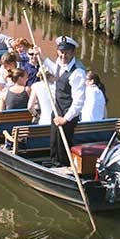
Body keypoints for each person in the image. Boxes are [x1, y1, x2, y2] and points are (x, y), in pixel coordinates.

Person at [39, 36, 85, 167]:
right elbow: (55, 69)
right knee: (54, 140)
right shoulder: (60, 63)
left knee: (63, 142)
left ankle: (64, 165)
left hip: (68, 112)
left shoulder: (78, 72)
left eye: (66, 52)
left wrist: (66, 119)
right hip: (57, 108)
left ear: (72, 52)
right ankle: (54, 161)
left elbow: (79, 101)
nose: (63, 55)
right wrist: (41, 56)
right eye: (61, 51)